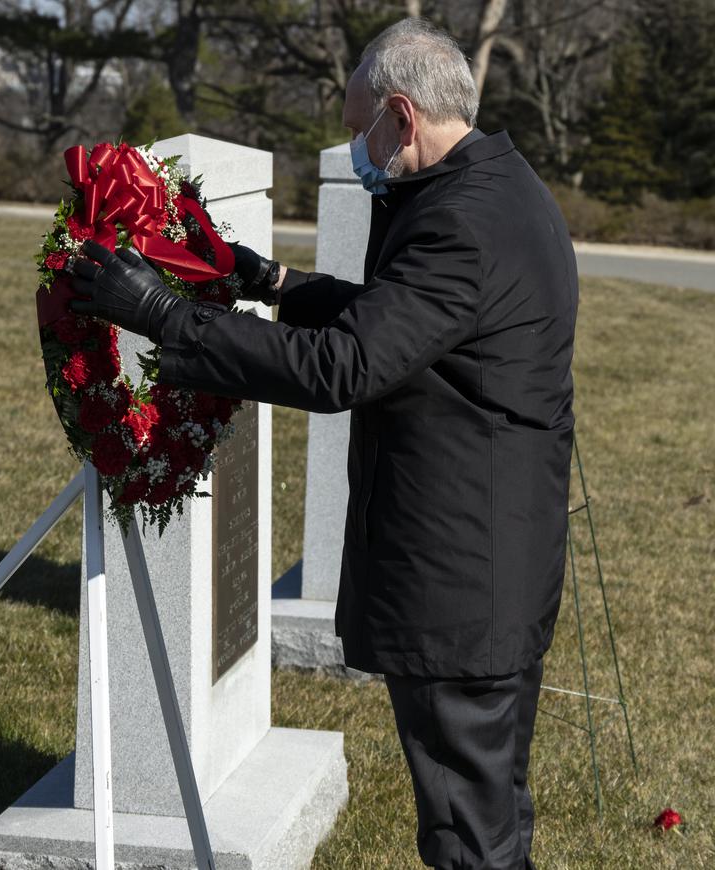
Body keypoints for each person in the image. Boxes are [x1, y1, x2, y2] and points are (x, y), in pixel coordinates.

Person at [70, 17, 576, 870]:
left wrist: (164, 316)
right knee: (490, 819)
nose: (358, 145)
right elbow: (409, 321)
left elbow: (345, 367)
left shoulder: (462, 221)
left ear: (402, 117)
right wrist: (274, 284)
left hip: (464, 578)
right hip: (497, 562)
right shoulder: (492, 184)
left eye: (359, 126)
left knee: (468, 839)